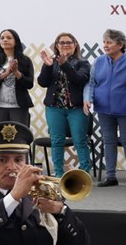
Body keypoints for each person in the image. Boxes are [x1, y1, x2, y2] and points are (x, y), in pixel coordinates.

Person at [84, 28, 126, 188]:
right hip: (103, 109)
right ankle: (110, 177)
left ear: (120, 44)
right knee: (108, 142)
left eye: (109, 42)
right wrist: (88, 99)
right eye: (104, 42)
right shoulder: (99, 61)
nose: (105, 45)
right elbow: (91, 83)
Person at [37, 32, 92, 177]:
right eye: (62, 42)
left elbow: (80, 79)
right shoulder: (51, 61)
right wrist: (48, 66)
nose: (65, 45)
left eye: (69, 42)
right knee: (57, 141)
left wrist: (65, 65)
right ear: (56, 46)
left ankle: (84, 173)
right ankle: (59, 174)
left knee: (80, 140)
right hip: (54, 108)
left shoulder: (83, 62)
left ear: (75, 45)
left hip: (77, 109)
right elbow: (42, 82)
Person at [0, 28, 35, 126]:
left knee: (18, 135)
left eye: (9, 38)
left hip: (19, 105)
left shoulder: (25, 60)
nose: (5, 40)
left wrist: (16, 72)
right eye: (2, 38)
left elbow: (29, 84)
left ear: (16, 42)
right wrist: (5, 74)